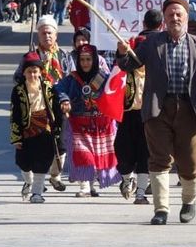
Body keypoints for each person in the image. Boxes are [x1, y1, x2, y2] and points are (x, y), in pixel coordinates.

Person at [117, 0, 196, 225]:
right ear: (164, 20)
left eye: (179, 14)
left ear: (186, 18)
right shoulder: (151, 43)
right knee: (159, 159)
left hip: (189, 109)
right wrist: (122, 53)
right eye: (170, 15)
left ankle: (189, 201)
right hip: (158, 109)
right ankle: (161, 209)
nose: (174, 18)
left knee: (189, 161)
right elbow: (130, 65)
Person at [14, 15, 71, 192]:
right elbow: (17, 77)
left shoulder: (64, 56)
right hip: (35, 106)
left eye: (50, 33)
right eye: (43, 32)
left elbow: (72, 79)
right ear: (38, 35)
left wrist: (66, 98)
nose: (47, 36)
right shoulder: (31, 56)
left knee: (60, 144)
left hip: (57, 105)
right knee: (32, 146)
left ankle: (55, 175)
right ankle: (32, 180)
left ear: (56, 35)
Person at [56, 44, 120, 197]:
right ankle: (84, 186)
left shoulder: (103, 77)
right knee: (83, 155)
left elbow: (114, 91)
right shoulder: (72, 78)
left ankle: (93, 185)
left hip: (102, 125)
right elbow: (59, 88)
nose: (85, 63)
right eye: (82, 59)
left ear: (95, 60)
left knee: (98, 157)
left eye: (88, 59)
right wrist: (64, 100)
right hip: (79, 124)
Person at [114, 9, 163, 205]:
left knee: (146, 154)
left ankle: (141, 193)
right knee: (123, 151)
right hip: (129, 115)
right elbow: (119, 70)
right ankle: (127, 180)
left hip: (151, 114)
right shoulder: (127, 67)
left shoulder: (159, 65)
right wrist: (121, 52)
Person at [10, 52, 63, 203]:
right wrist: (16, 137)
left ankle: (37, 193)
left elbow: (56, 110)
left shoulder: (48, 88)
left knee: (43, 161)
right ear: (24, 73)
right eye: (29, 72)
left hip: (45, 129)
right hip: (26, 130)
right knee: (23, 162)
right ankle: (28, 181)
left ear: (40, 72)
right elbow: (15, 114)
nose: (32, 75)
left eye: (35, 71)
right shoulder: (18, 91)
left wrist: (58, 128)